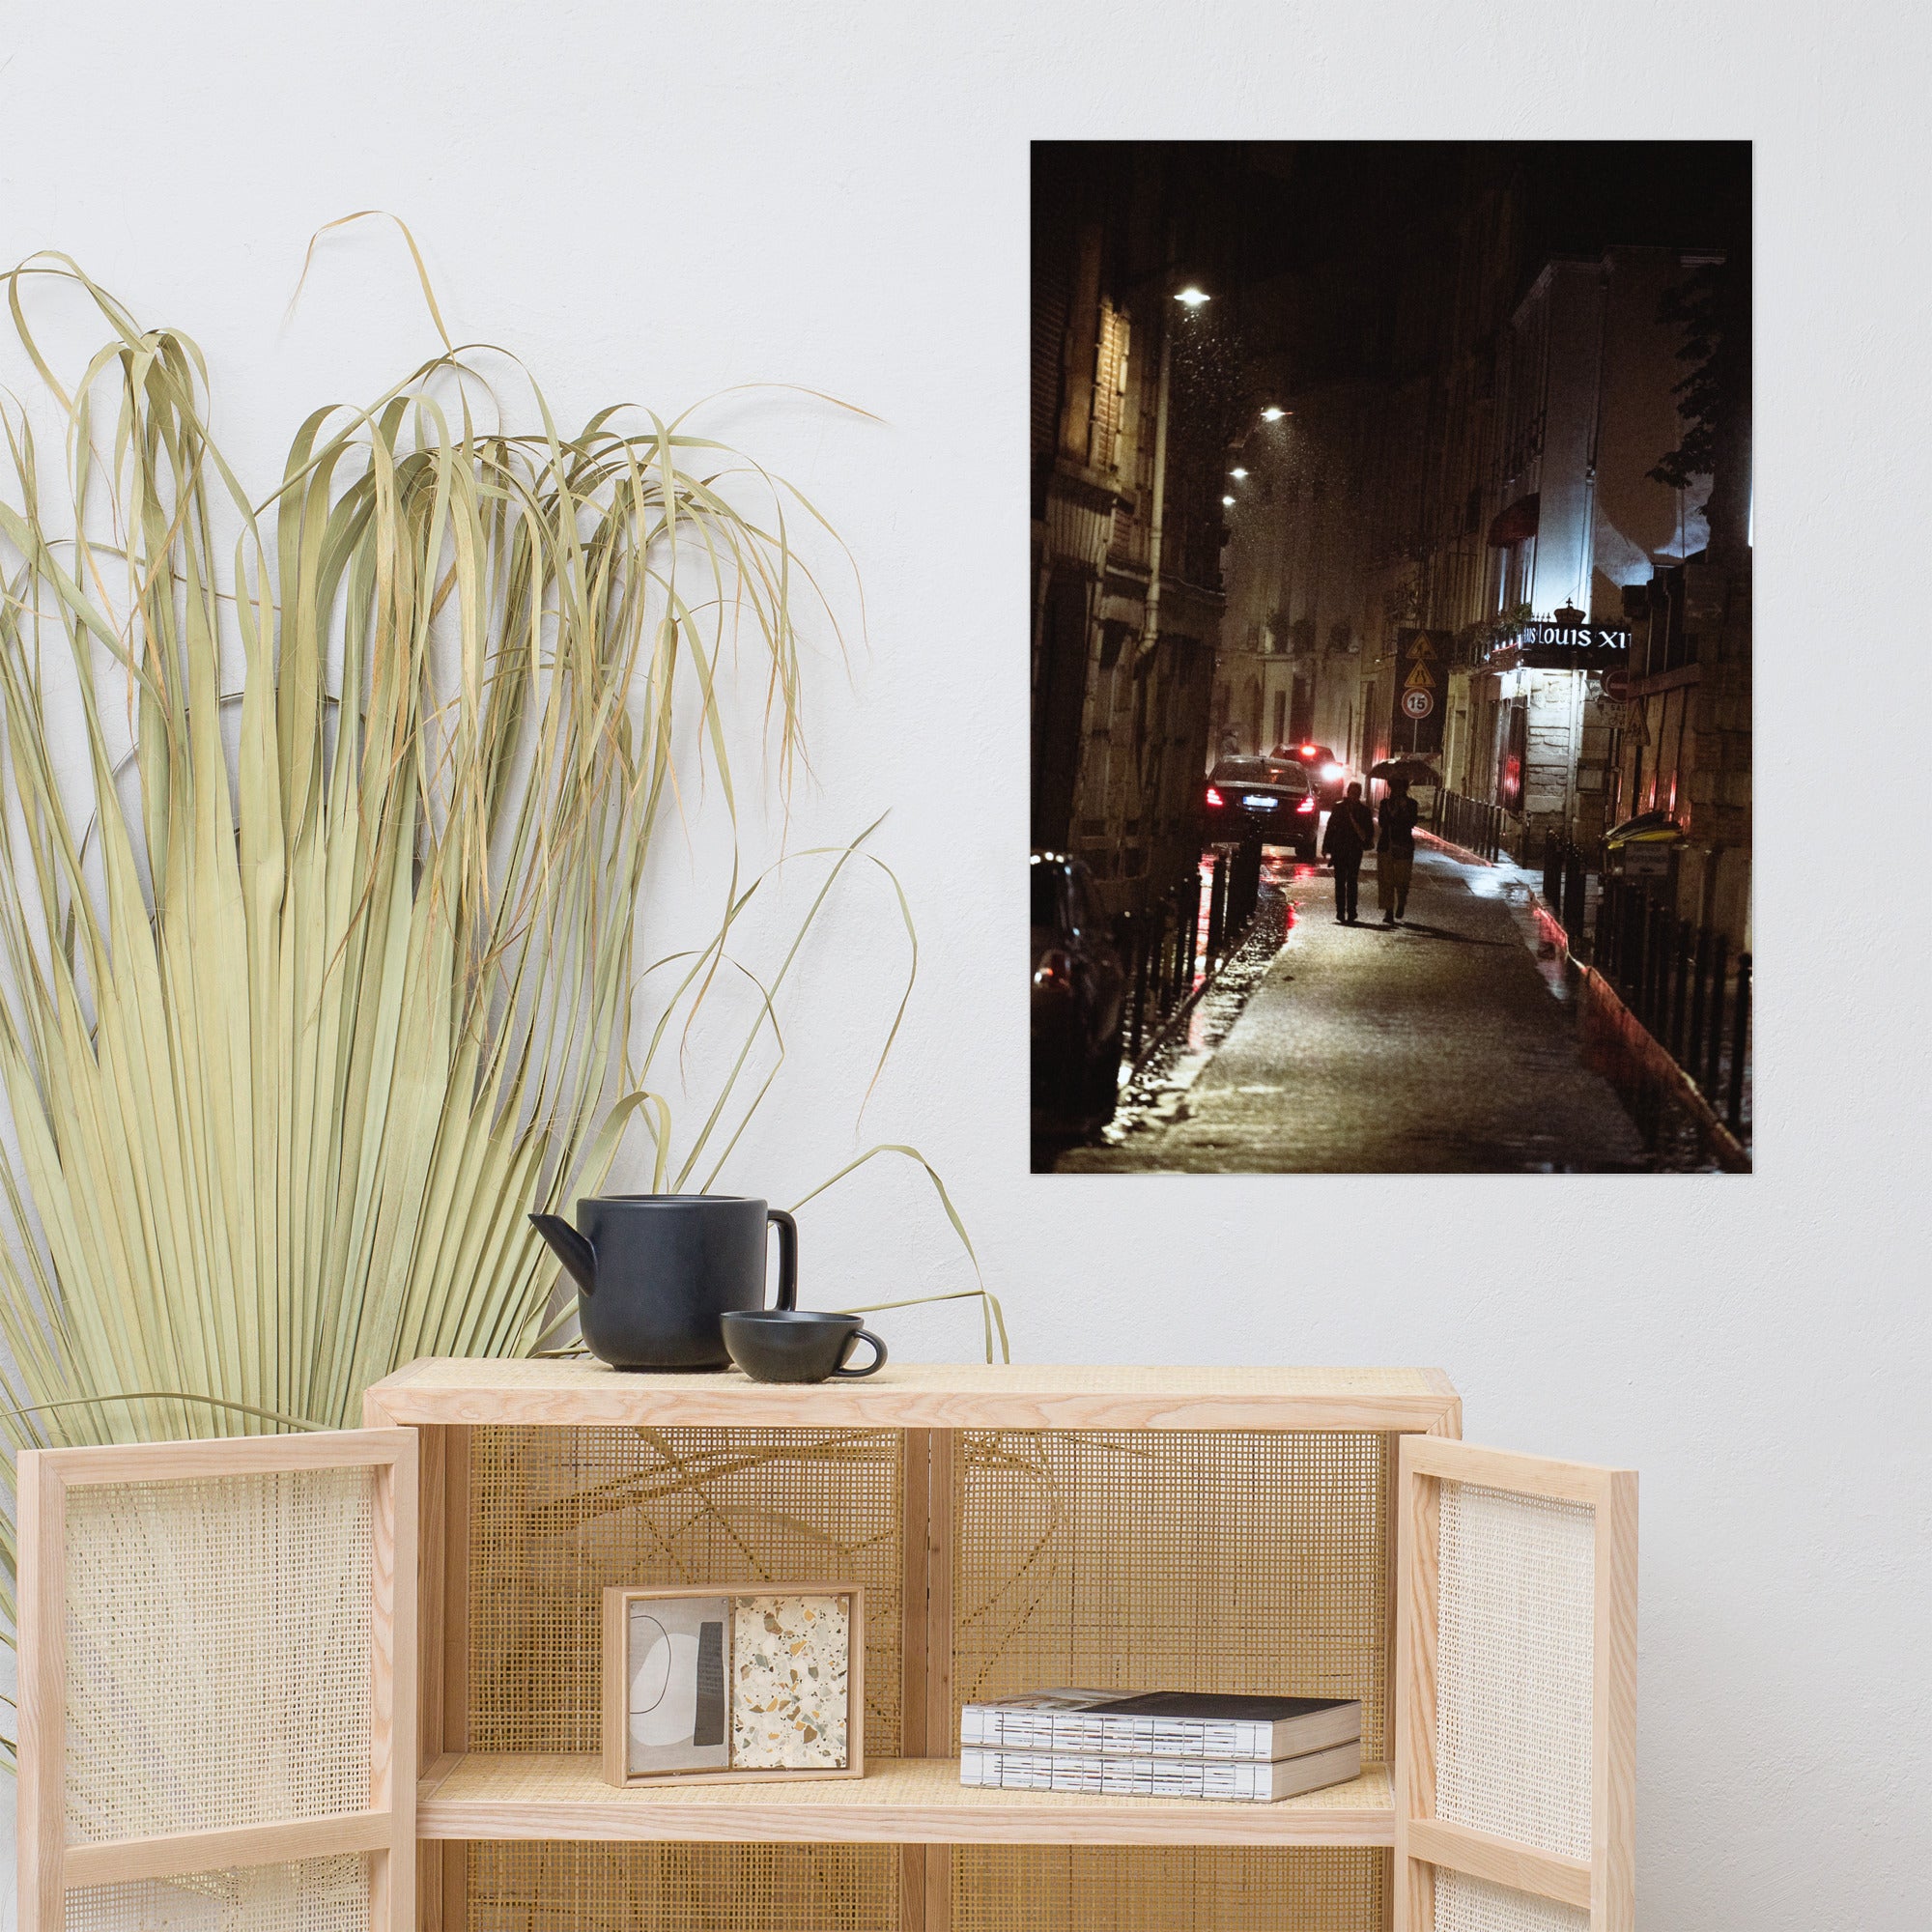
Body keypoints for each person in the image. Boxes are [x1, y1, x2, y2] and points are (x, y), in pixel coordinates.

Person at [1321, 781, 1375, 923]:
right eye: (1352, 793)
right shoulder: (1338, 808)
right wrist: (1326, 847)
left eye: (1357, 794)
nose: (1354, 796)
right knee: (1340, 881)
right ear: (1348, 792)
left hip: (1354, 849)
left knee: (1352, 880)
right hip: (1339, 848)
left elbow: (1368, 833)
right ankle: (1340, 911)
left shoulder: (1364, 811)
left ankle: (1351, 911)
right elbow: (1330, 828)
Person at [1377, 774, 1420, 924]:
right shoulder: (1384, 804)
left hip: (1404, 845)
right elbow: (1382, 823)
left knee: (1402, 879)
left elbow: (1412, 822)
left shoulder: (1412, 804)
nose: (1396, 791)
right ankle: (1389, 911)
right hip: (1386, 845)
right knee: (1386, 880)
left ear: (1405, 789)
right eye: (1394, 788)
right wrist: (1393, 812)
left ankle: (1401, 901)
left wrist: (1404, 810)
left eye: (1400, 788)